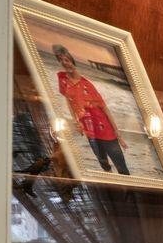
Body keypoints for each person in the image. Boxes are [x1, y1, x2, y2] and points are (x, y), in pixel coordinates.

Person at [53, 45, 129, 176]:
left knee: (121, 166)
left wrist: (118, 134)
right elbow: (69, 102)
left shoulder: (87, 84)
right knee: (103, 162)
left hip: (105, 129)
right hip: (89, 129)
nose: (65, 63)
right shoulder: (63, 80)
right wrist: (76, 121)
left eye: (67, 60)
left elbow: (105, 108)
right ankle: (111, 182)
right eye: (61, 60)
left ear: (73, 62)